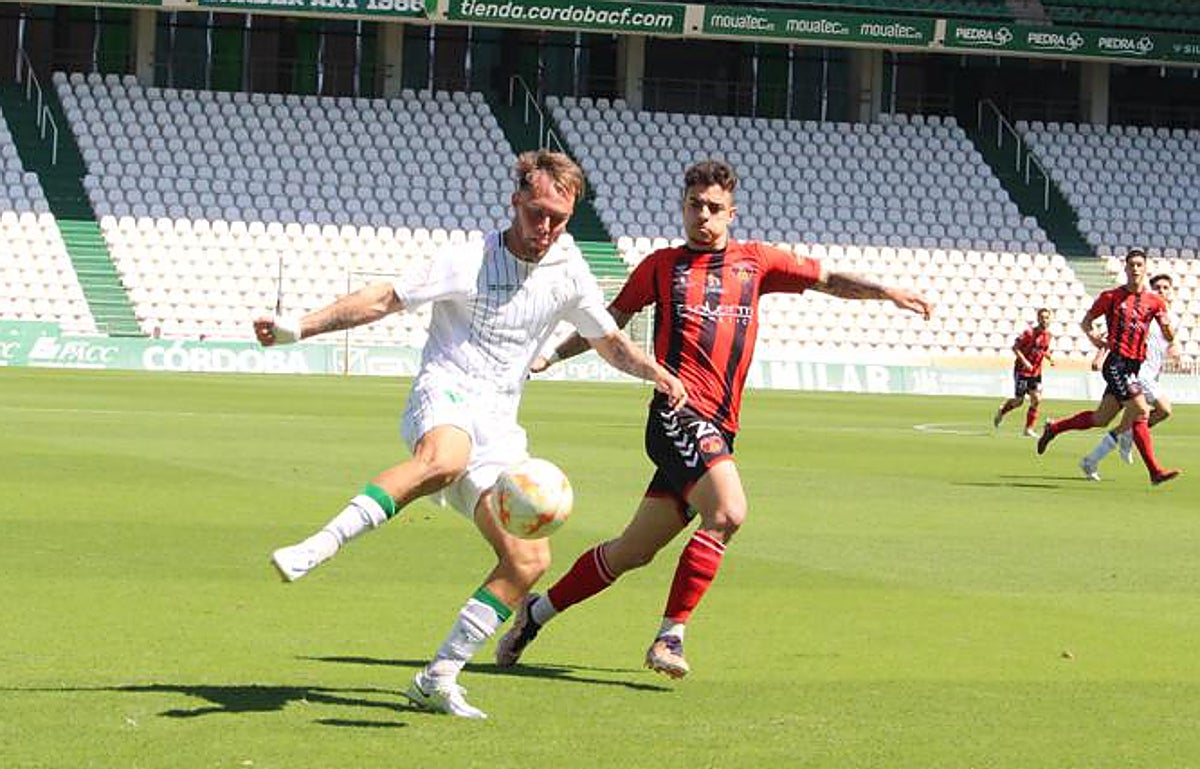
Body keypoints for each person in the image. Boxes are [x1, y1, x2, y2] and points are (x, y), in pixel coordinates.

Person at [252, 150, 687, 719]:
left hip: (500, 427)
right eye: (537, 213)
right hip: (445, 392)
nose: (547, 228)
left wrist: (654, 372)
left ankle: (438, 677)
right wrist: (297, 328)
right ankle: (321, 545)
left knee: (529, 561)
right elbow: (384, 298)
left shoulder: (570, 270)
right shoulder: (468, 258)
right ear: (516, 202)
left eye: (559, 217)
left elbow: (609, 342)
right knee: (445, 456)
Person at [493, 159, 934, 679]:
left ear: (732, 213)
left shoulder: (757, 263)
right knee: (727, 512)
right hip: (676, 414)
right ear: (682, 207)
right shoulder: (660, 266)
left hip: (718, 429)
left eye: (714, 208)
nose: (703, 216)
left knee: (631, 552)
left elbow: (827, 278)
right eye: (694, 205)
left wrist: (886, 292)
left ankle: (535, 614)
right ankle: (668, 638)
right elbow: (609, 323)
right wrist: (550, 356)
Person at [1035, 248, 1179, 485]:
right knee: (1141, 411)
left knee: (1101, 418)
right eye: (1131, 264)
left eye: (1139, 265)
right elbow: (1086, 322)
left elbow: (1169, 336)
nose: (1135, 269)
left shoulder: (1155, 302)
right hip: (1116, 364)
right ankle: (1154, 471)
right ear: (1125, 268)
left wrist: (1166, 328)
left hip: (1133, 366)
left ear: (1145, 268)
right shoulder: (1111, 297)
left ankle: (1054, 428)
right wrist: (1096, 340)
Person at [1079, 272, 1179, 480]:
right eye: (1157, 287)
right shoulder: (1145, 310)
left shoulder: (1165, 316)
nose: (1161, 291)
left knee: (1105, 419)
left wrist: (1174, 346)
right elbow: (1115, 336)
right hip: (1136, 374)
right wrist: (1100, 354)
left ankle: (1091, 460)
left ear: (1172, 292)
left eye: (1165, 288)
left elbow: (1168, 339)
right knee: (1161, 410)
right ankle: (1151, 467)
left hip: (1144, 375)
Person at [992, 307, 1054, 436]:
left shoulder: (1048, 335)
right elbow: (1015, 348)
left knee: (1036, 399)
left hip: (1036, 373)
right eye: (1042, 317)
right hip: (1022, 372)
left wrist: (1049, 357)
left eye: (1047, 317)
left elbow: (1043, 350)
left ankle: (1028, 429)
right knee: (1019, 401)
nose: (1044, 320)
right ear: (1038, 319)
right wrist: (1025, 362)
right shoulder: (1029, 333)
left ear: (1050, 319)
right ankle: (1002, 410)